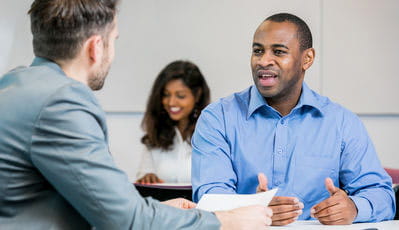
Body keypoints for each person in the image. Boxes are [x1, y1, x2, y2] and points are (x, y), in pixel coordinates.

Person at [0, 1, 273, 229]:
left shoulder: (14, 84)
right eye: (113, 40)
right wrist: (223, 220)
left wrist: (152, 211)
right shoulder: (62, 102)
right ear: (96, 47)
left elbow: (91, 207)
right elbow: (126, 221)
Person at [191, 13, 395, 226]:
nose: (264, 61)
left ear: (307, 59)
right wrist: (253, 208)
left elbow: (381, 195)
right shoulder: (217, 118)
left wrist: (353, 207)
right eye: (258, 51)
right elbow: (209, 197)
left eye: (278, 52)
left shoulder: (340, 122)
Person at [136, 61, 210, 184]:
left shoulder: (212, 134)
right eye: (166, 95)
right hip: (164, 203)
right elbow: (143, 177)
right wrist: (147, 177)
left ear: (197, 95)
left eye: (180, 96)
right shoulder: (155, 136)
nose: (171, 103)